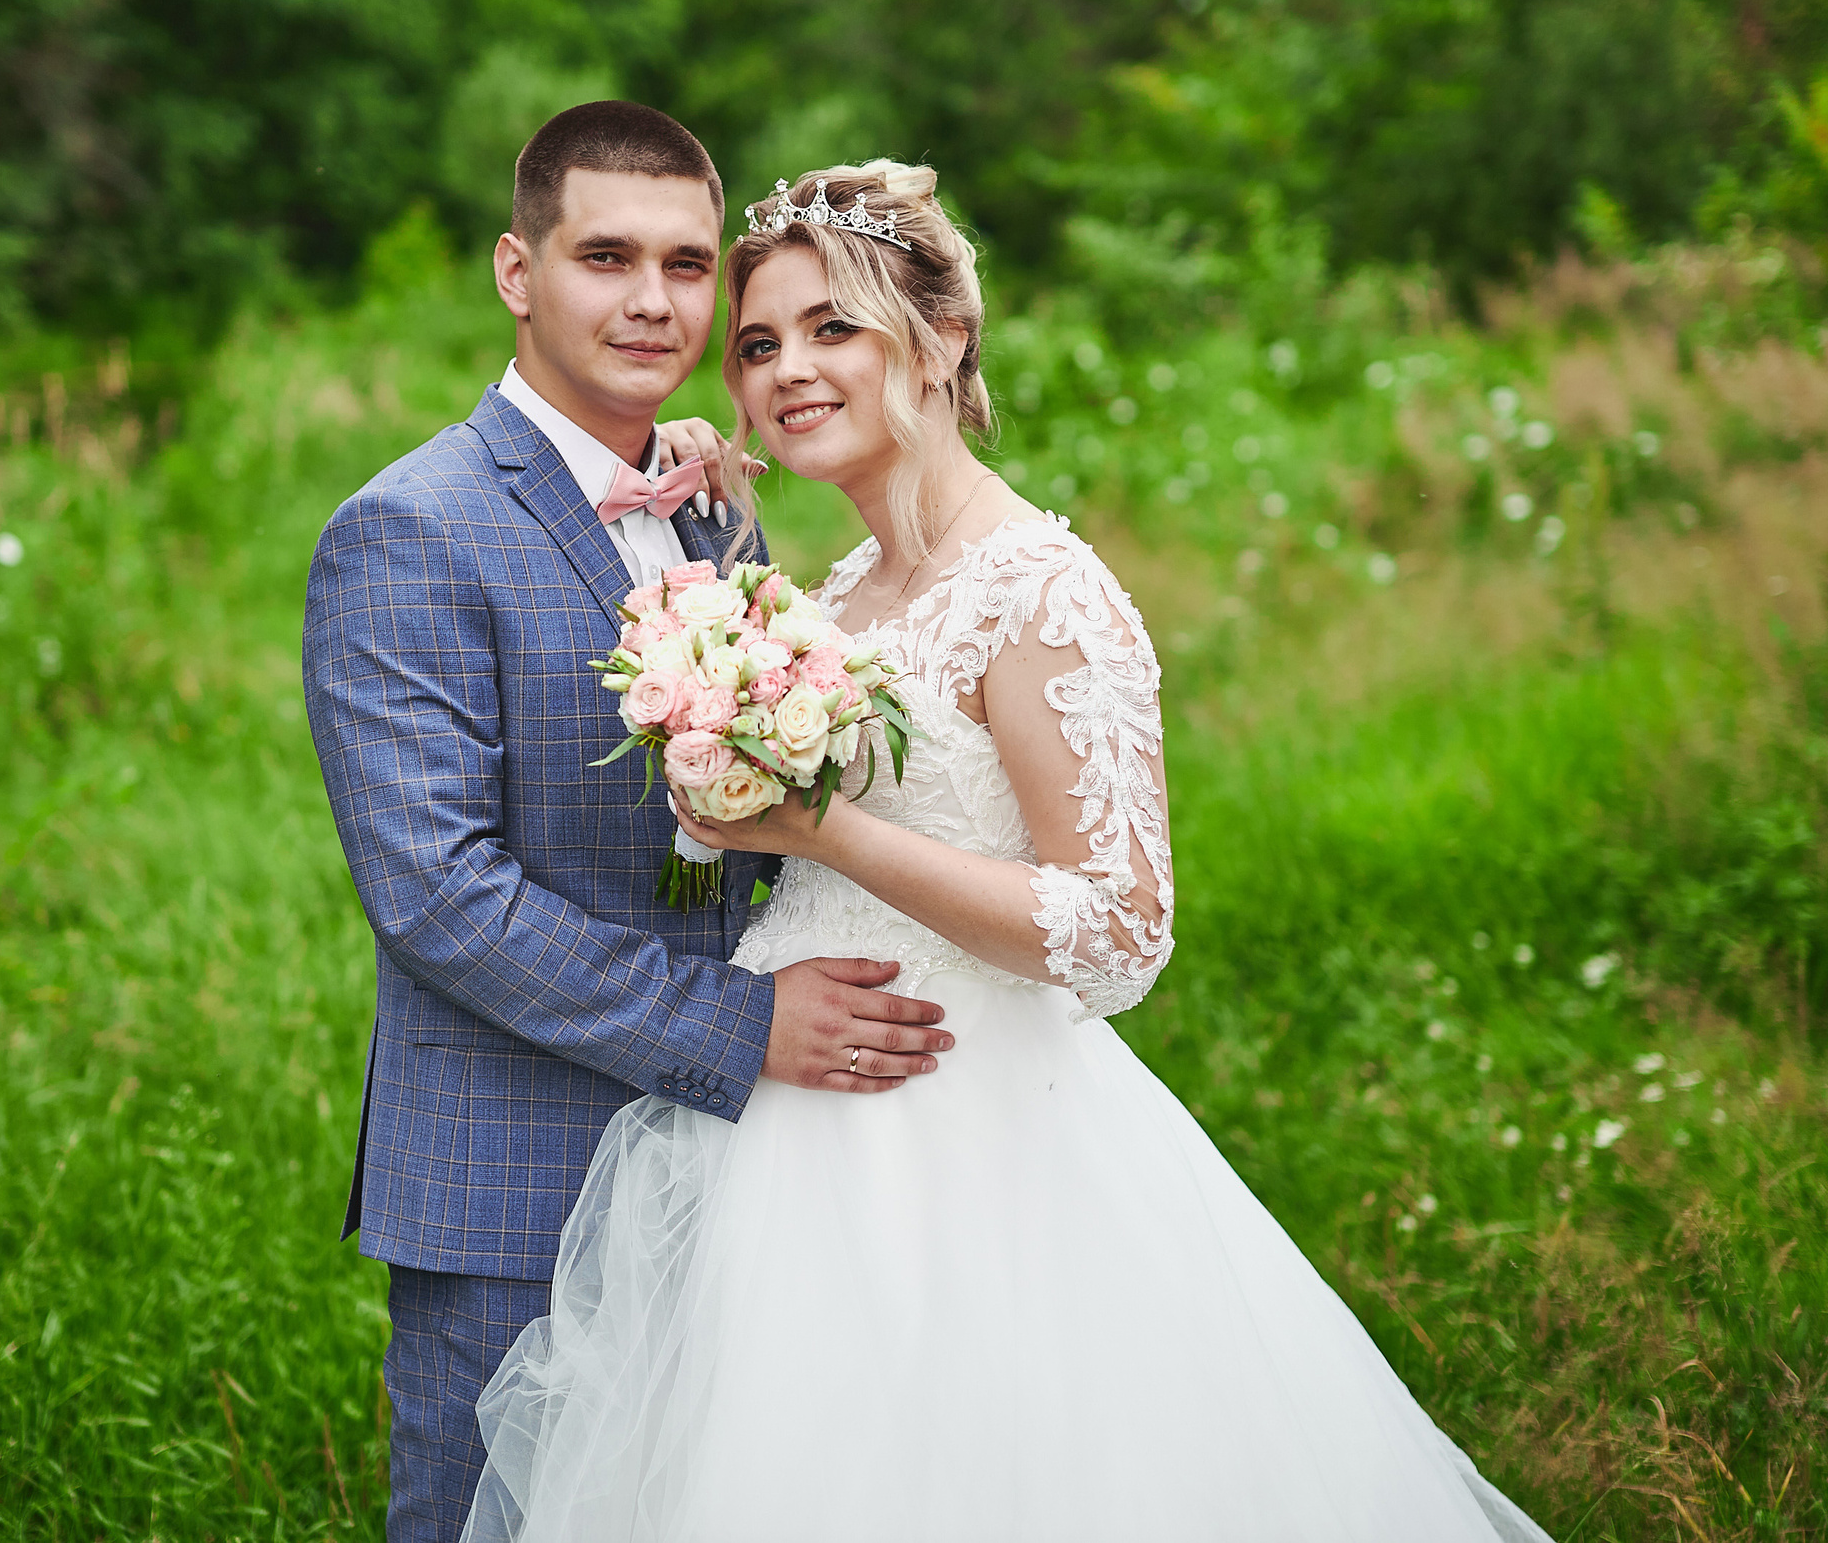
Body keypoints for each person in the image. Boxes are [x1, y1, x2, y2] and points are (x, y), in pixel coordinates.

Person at [464, 161, 1556, 1542]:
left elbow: (1119, 927)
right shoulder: (833, 589)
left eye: (832, 329)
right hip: (785, 1146)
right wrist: (701, 510)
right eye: (759, 344)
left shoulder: (1044, 589)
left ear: (941, 341)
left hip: (974, 1137)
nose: (787, 368)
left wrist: (821, 829)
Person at [301, 108, 961, 1543]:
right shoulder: (406, 528)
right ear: (516, 269)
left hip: (741, 1176)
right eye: (605, 256)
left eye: (683, 261)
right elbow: (440, 897)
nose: (651, 300)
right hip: (513, 1173)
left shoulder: (716, 507)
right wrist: (747, 1031)